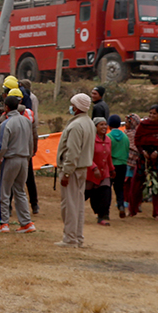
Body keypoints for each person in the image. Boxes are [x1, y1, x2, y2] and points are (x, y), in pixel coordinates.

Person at [0, 95, 35, 233]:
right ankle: (27, 222)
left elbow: (2, 147)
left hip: (11, 159)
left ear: (6, 107)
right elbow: (31, 142)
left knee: (5, 191)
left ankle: (4, 223)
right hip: (24, 159)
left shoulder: (5, 124)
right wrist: (28, 157)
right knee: (20, 191)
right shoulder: (27, 121)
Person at [55, 93, 95, 247]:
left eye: (73, 105)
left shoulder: (77, 125)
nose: (71, 107)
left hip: (72, 170)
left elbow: (72, 152)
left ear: (77, 107)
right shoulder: (88, 122)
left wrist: (66, 172)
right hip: (81, 169)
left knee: (69, 205)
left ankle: (70, 239)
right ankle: (77, 237)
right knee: (77, 205)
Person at [86, 117, 115, 226]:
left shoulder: (108, 140)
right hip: (91, 173)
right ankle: (71, 211)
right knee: (86, 194)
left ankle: (102, 216)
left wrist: (112, 169)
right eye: (101, 125)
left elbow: (108, 157)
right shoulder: (90, 140)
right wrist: (94, 168)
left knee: (105, 193)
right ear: (95, 127)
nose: (104, 127)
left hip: (104, 173)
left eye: (105, 124)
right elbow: (87, 156)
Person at [18, 78, 41, 215]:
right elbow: (34, 134)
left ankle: (8, 207)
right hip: (27, 148)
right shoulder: (31, 108)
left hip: (17, 150)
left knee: (12, 180)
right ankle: (35, 204)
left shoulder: (12, 114)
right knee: (29, 177)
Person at [108, 115, 130, 218]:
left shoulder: (108, 137)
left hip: (111, 165)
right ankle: (121, 205)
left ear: (109, 125)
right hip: (122, 165)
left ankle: (105, 210)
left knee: (107, 188)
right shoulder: (125, 137)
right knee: (119, 187)